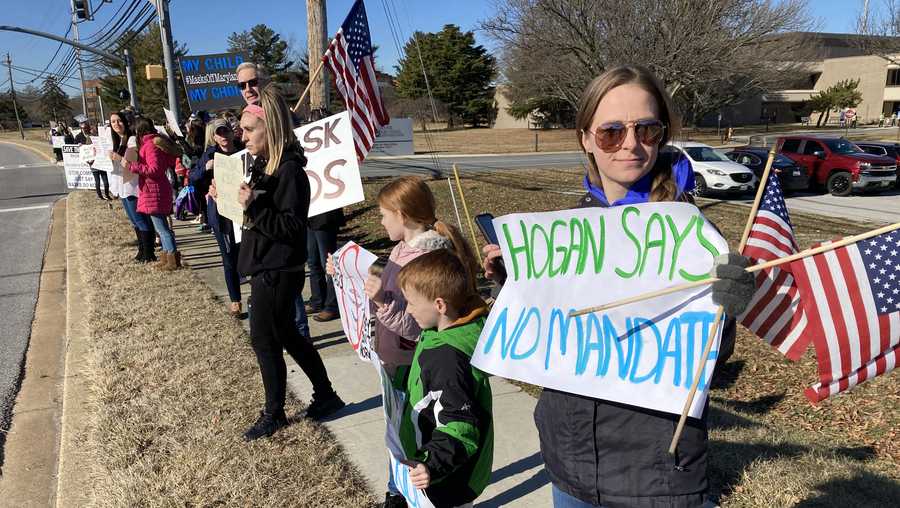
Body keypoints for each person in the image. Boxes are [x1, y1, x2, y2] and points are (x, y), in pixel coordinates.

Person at [482, 65, 754, 508]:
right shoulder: (561, 235)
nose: (631, 144)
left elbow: (710, 358)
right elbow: (544, 337)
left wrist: (727, 308)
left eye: (647, 129)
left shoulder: (690, 235)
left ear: (662, 134)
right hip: (569, 462)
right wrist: (511, 288)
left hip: (656, 473)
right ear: (586, 138)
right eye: (612, 131)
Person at [327, 175, 479, 508]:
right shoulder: (401, 249)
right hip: (393, 359)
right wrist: (346, 274)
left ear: (403, 214)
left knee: (414, 433)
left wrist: (382, 302)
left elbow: (416, 327)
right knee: (398, 432)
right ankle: (397, 489)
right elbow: (394, 295)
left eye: (384, 214)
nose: (380, 221)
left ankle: (412, 490)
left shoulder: (426, 261)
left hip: (410, 362)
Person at [236, 85, 344, 441]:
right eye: (243, 129)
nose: (243, 135)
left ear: (272, 130)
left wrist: (253, 206)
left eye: (249, 129)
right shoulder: (264, 166)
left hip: (278, 271)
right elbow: (263, 214)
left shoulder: (290, 172)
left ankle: (274, 413)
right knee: (288, 336)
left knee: (264, 341)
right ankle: (326, 395)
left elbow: (292, 227)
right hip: (265, 264)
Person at [394, 249, 493, 508]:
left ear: (439, 305)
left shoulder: (448, 358)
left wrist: (431, 465)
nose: (408, 309)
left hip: (445, 479)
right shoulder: (436, 333)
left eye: (411, 302)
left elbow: (461, 427)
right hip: (434, 471)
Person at [196, 118, 245, 317]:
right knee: (229, 258)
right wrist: (204, 170)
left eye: (226, 132)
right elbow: (193, 180)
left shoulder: (243, 151)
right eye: (219, 133)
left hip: (244, 211)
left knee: (247, 255)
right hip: (222, 214)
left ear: (232, 133)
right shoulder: (209, 155)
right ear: (214, 137)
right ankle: (236, 301)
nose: (223, 136)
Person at [130, 116, 183, 271]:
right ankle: (168, 257)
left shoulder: (150, 145)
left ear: (139, 130)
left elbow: (155, 170)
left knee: (162, 229)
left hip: (154, 190)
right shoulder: (155, 142)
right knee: (162, 227)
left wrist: (133, 166)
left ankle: (172, 259)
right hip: (155, 190)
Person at [108, 111, 156, 263]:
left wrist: (118, 157)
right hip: (122, 186)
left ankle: (149, 252)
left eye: (119, 121)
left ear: (125, 122)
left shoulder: (132, 139)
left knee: (141, 220)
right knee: (134, 221)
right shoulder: (117, 140)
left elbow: (133, 162)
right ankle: (141, 250)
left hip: (133, 186)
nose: (116, 124)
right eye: (113, 122)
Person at [305, 208, 345, 322]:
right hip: (309, 216)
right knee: (313, 262)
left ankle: (332, 306)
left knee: (328, 264)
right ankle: (317, 300)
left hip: (325, 217)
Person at [75, 119, 111, 201]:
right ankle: (103, 195)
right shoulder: (92, 138)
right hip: (95, 162)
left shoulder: (92, 138)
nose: (88, 129)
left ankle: (104, 195)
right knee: (101, 180)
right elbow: (86, 151)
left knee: (101, 180)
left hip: (99, 162)